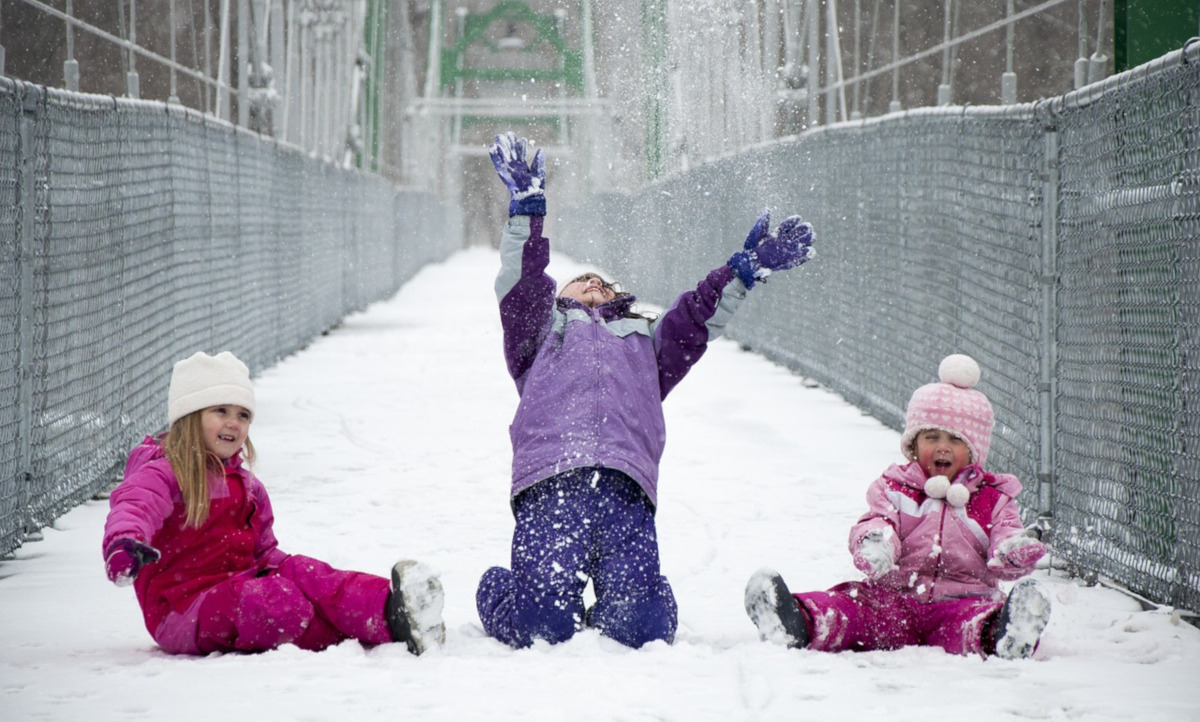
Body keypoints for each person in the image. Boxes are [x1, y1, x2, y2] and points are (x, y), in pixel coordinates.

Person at [476, 132, 816, 649]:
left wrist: (741, 273)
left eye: (605, 284)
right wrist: (527, 211)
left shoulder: (645, 342)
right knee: (541, 626)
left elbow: (696, 318)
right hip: (551, 484)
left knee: (642, 629)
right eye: (582, 281)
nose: (595, 285)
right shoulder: (539, 335)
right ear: (559, 296)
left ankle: (631, 602)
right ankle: (502, 590)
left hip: (625, 488)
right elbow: (523, 282)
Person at [102, 351, 446, 656]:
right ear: (190, 416)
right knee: (276, 602)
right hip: (184, 610)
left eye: (243, 415)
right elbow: (134, 506)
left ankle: (391, 610)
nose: (234, 423)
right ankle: (364, 630)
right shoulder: (163, 472)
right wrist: (124, 545)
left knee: (308, 575)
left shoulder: (248, 486)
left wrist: (300, 575)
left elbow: (263, 552)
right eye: (221, 411)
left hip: (239, 585)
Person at [744, 354, 1052, 659]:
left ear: (974, 451)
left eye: (955, 440)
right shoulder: (895, 487)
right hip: (892, 600)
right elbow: (878, 520)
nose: (942, 447)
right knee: (852, 609)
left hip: (961, 601)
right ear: (914, 445)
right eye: (931, 437)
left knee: (972, 624)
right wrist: (875, 542)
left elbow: (1005, 536)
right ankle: (796, 620)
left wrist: (1013, 552)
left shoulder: (994, 499)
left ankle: (1006, 633)